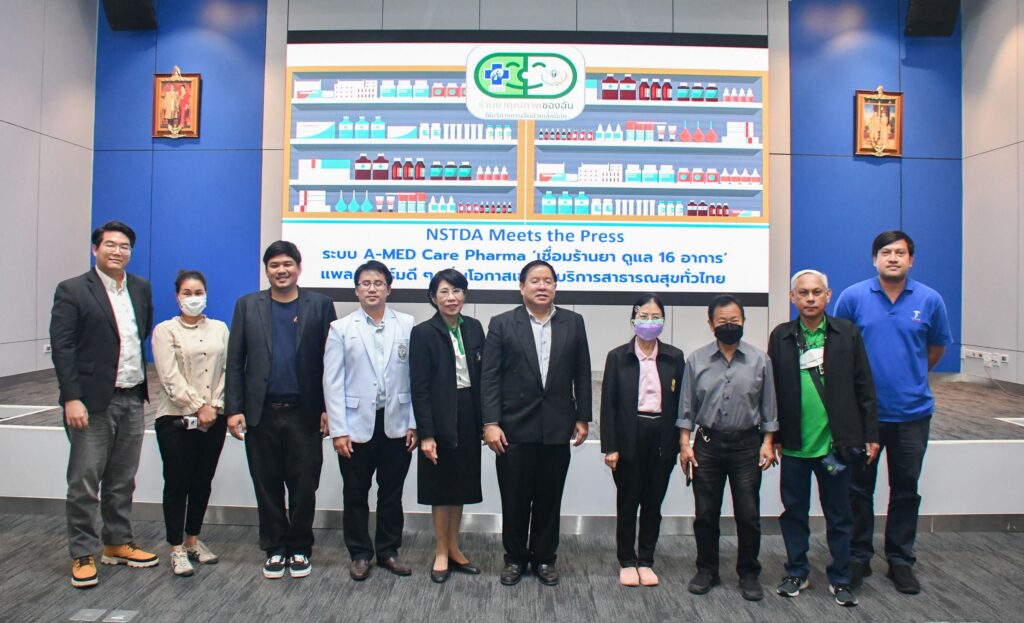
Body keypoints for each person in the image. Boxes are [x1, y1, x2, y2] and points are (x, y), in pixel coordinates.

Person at [833, 230, 952, 594]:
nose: (893, 258)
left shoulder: (930, 299)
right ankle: (858, 556)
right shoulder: (853, 297)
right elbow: (840, 348)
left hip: (912, 414)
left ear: (911, 260)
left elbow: (935, 349)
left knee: (905, 490)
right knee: (858, 489)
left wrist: (909, 375)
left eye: (900, 252)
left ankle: (900, 560)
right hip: (863, 415)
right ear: (875, 259)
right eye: (886, 252)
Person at [50, 220, 158, 589]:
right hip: (91, 403)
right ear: (96, 249)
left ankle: (117, 541)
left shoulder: (140, 288)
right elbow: (63, 347)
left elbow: (141, 333)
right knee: (84, 481)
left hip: (132, 396)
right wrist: (72, 397)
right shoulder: (72, 290)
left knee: (122, 479)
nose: (118, 251)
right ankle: (82, 552)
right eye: (110, 245)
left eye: (124, 246)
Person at [767, 269, 880, 607]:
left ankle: (841, 576)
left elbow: (864, 385)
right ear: (792, 297)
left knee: (840, 514)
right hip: (795, 446)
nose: (811, 298)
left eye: (817, 292)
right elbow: (772, 391)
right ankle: (796, 572)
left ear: (828, 296)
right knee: (794, 512)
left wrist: (870, 433)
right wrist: (773, 436)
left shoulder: (847, 333)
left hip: (836, 446)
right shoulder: (781, 336)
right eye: (803, 293)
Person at [224, 241, 336, 580]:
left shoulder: (320, 305)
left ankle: (300, 546)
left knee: (304, 486)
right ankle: (274, 547)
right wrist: (234, 408)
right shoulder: (247, 305)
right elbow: (235, 361)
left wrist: (329, 408)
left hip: (305, 412)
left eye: (287, 264)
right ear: (267, 270)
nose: (281, 270)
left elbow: (331, 362)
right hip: (262, 413)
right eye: (274, 265)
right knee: (267, 484)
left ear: (299, 268)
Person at [481, 260, 592, 587]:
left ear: (555, 287)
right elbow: (490, 378)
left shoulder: (573, 322)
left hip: (557, 427)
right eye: (535, 281)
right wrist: (490, 422)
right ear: (522, 287)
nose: (542, 286)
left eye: (548, 281)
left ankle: (545, 558)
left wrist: (583, 416)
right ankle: (515, 559)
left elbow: (582, 372)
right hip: (513, 429)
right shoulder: (502, 323)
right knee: (514, 499)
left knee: (549, 498)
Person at [677, 294, 777, 601]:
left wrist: (768, 443)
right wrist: (684, 444)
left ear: (744, 321)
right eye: (722, 321)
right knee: (706, 513)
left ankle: (749, 572)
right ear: (711, 325)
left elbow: (769, 407)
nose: (729, 325)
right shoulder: (696, 360)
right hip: (707, 446)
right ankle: (707, 569)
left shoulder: (760, 360)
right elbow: (686, 407)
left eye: (735, 320)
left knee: (748, 514)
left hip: (747, 446)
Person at [324, 260, 417, 581]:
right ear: (357, 290)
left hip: (397, 423)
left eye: (378, 283)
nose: (372, 289)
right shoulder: (341, 328)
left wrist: (414, 423)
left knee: (391, 493)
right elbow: (332, 382)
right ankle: (360, 553)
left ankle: (389, 551)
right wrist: (338, 430)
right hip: (355, 426)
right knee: (355, 493)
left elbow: (415, 378)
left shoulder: (407, 324)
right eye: (365, 283)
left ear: (388, 289)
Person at [600, 293, 685, 588]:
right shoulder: (618, 357)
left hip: (662, 436)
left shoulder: (674, 356)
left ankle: (646, 560)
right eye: (644, 316)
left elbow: (681, 403)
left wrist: (681, 443)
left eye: (656, 317)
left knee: (653, 503)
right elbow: (608, 405)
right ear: (633, 320)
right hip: (629, 435)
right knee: (628, 502)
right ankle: (626, 560)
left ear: (664, 321)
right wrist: (610, 446)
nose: (650, 322)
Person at [151, 270, 229, 577]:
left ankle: (193, 539)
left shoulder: (220, 329)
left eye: (198, 292)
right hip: (176, 418)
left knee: (202, 481)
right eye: (187, 293)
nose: (193, 298)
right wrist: (199, 406)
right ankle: (176, 547)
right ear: (177, 296)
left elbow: (228, 370)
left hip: (214, 418)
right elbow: (169, 377)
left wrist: (215, 406)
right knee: (177, 483)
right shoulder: (165, 331)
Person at [409, 269, 485, 584]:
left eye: (457, 291)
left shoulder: (475, 327)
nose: (451, 298)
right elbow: (419, 387)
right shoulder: (423, 333)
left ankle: (454, 547)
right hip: (439, 417)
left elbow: (484, 376)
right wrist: (426, 434)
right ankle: (441, 550)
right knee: (440, 488)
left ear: (464, 295)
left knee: (461, 485)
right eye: (444, 291)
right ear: (433, 297)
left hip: (468, 414)